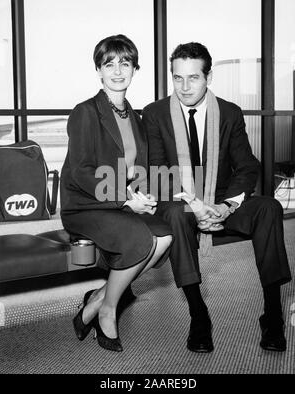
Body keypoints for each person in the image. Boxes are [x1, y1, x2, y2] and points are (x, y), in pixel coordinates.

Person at [142, 42, 292, 353]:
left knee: (269, 208)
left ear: (208, 77)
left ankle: (273, 315)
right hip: (181, 199)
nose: (184, 87)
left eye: (193, 78)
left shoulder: (229, 113)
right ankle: (199, 315)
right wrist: (195, 207)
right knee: (174, 215)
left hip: (222, 198)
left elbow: (247, 165)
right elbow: (157, 170)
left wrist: (224, 206)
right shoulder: (155, 114)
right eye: (178, 78)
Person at [60, 34, 173, 352]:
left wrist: (144, 196)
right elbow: (82, 171)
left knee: (165, 235)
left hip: (117, 203)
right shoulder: (85, 112)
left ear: (135, 69)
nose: (118, 70)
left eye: (125, 62)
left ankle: (98, 297)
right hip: (85, 206)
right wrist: (125, 199)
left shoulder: (136, 120)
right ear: (98, 70)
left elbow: (139, 172)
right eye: (109, 63)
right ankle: (107, 309)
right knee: (139, 238)